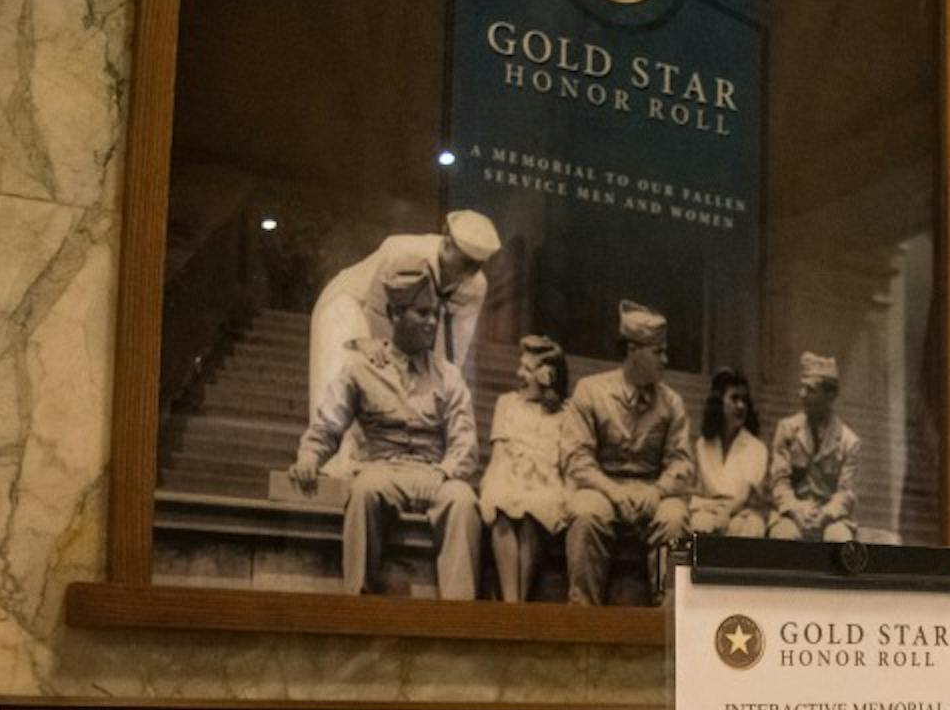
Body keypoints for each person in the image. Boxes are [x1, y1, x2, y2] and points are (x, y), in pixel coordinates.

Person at [289, 259, 483, 598]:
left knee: (463, 500)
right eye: (422, 314)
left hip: (434, 471)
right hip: (382, 468)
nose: (432, 322)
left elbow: (464, 441)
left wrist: (446, 472)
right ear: (395, 315)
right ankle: (358, 600)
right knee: (364, 492)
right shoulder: (361, 369)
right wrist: (309, 457)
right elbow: (328, 424)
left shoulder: (448, 375)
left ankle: (459, 612)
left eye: (435, 314)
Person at [306, 210, 501, 477]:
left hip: (398, 318)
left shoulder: (475, 284)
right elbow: (380, 310)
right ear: (446, 242)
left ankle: (366, 470)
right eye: (464, 261)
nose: (466, 273)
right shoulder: (401, 250)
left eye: (475, 266)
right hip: (349, 306)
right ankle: (331, 467)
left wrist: (441, 381)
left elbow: (456, 342)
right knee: (353, 374)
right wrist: (371, 345)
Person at [560, 301, 695, 605]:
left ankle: (669, 619)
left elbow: (682, 463)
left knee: (675, 518)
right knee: (585, 513)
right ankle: (582, 618)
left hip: (652, 491)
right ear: (633, 351)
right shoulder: (590, 391)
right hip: (602, 488)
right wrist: (613, 492)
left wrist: (658, 491)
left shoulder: (671, 402)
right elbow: (576, 459)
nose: (666, 359)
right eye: (657, 351)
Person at [479, 335, 571, 602]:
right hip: (510, 472)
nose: (520, 374)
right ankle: (511, 603)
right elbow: (498, 456)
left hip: (546, 479)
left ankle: (520, 602)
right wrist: (491, 482)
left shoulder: (566, 414)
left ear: (548, 376)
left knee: (536, 509)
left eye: (528, 370)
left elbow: (566, 462)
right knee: (499, 501)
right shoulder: (507, 404)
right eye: (520, 367)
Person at [768, 352, 861, 543]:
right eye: (802, 387)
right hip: (792, 513)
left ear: (830, 395)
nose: (802, 394)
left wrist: (825, 515)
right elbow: (779, 482)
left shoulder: (849, 441)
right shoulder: (787, 430)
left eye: (810, 389)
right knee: (784, 536)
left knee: (839, 540)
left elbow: (846, 492)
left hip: (831, 518)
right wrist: (795, 509)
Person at [689, 369, 769, 538]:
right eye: (734, 398)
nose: (741, 406)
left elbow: (744, 496)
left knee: (745, 529)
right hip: (708, 511)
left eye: (744, 400)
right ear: (719, 402)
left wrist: (725, 514)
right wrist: (713, 512)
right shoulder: (702, 445)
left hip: (743, 514)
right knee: (700, 523)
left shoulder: (757, 449)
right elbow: (695, 493)